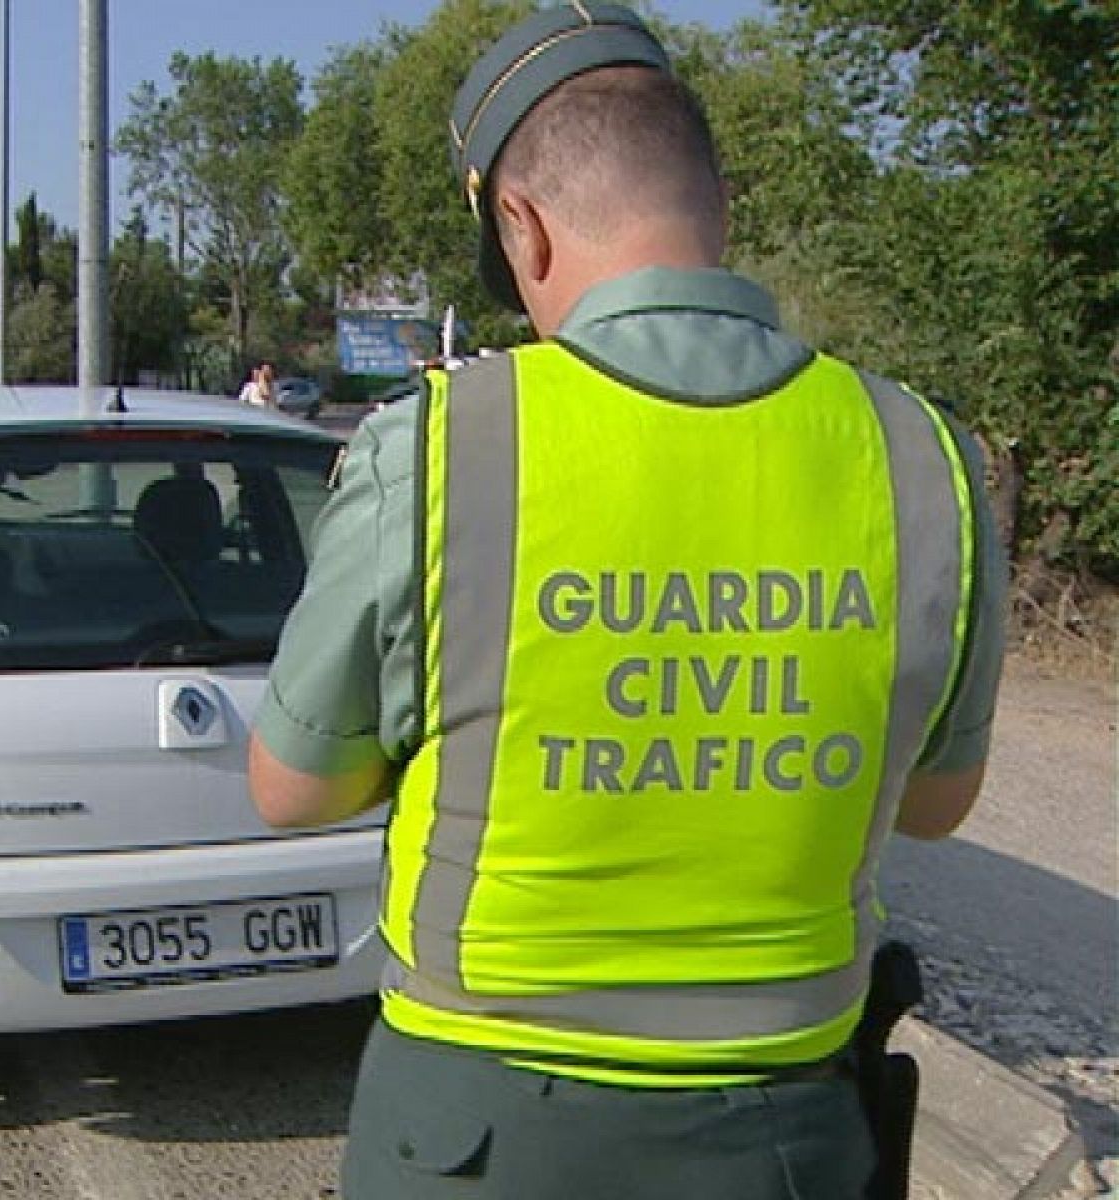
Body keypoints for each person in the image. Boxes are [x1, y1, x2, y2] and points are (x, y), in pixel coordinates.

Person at [247, 5, 1006, 1198]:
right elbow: (936, 804)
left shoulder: (441, 445)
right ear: (717, 208)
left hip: (476, 1137)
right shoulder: (923, 456)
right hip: (784, 1138)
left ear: (522, 225)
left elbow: (293, 789)